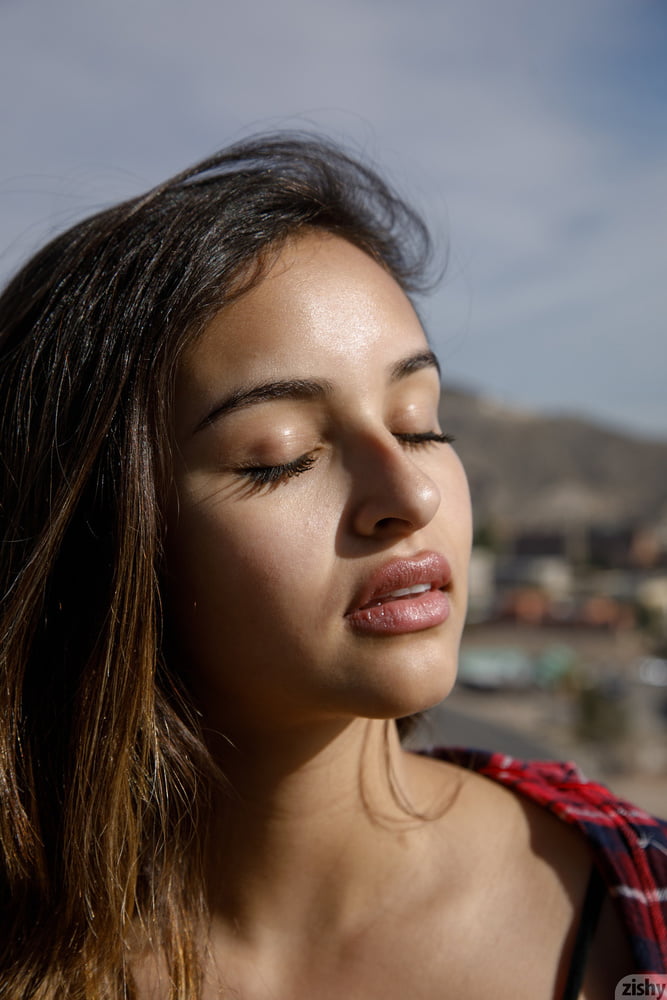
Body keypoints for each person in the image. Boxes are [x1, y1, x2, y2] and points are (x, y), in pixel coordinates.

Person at [0, 134, 665, 1000]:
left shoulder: (637, 911)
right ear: (105, 538)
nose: (408, 494)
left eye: (418, 422)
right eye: (278, 457)